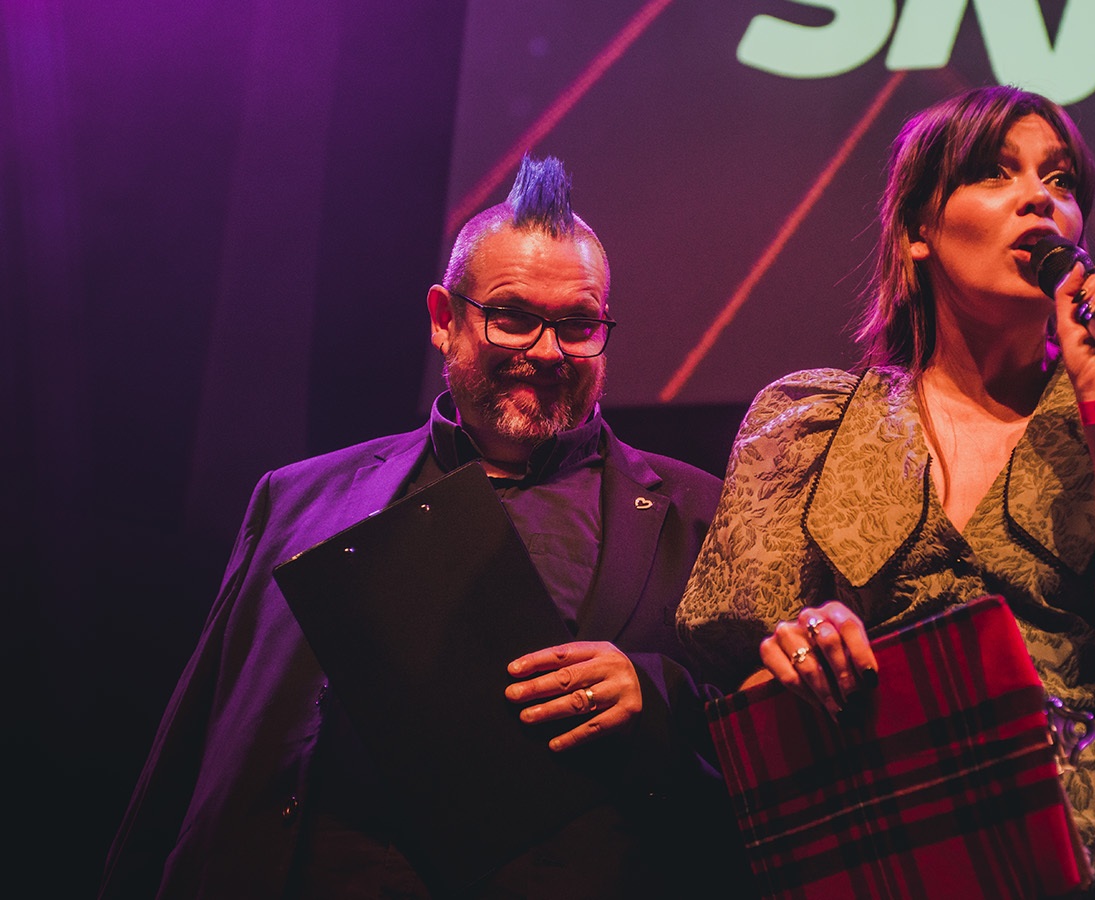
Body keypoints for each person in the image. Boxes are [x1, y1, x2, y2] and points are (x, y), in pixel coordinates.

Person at [676, 86, 1095, 899]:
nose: (1040, 196)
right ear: (915, 233)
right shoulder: (814, 425)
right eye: (993, 173)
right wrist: (805, 646)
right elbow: (745, 706)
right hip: (897, 855)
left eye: (1061, 179)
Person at [101, 155, 750, 899]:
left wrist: (653, 691)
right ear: (445, 319)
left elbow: (766, 751)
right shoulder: (296, 499)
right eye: (513, 317)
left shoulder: (699, 513)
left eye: (576, 325)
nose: (546, 352)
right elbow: (195, 750)